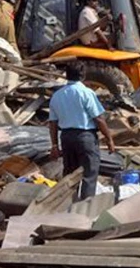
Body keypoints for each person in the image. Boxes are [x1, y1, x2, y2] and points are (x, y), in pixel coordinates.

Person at [48, 63, 116, 201]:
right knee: (89, 174)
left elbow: (53, 123)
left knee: (70, 174)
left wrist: (54, 145)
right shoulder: (86, 93)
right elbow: (98, 118)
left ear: (66, 76)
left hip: (66, 137)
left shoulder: (57, 96)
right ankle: (85, 207)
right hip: (85, 137)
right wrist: (109, 139)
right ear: (83, 75)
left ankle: (67, 204)